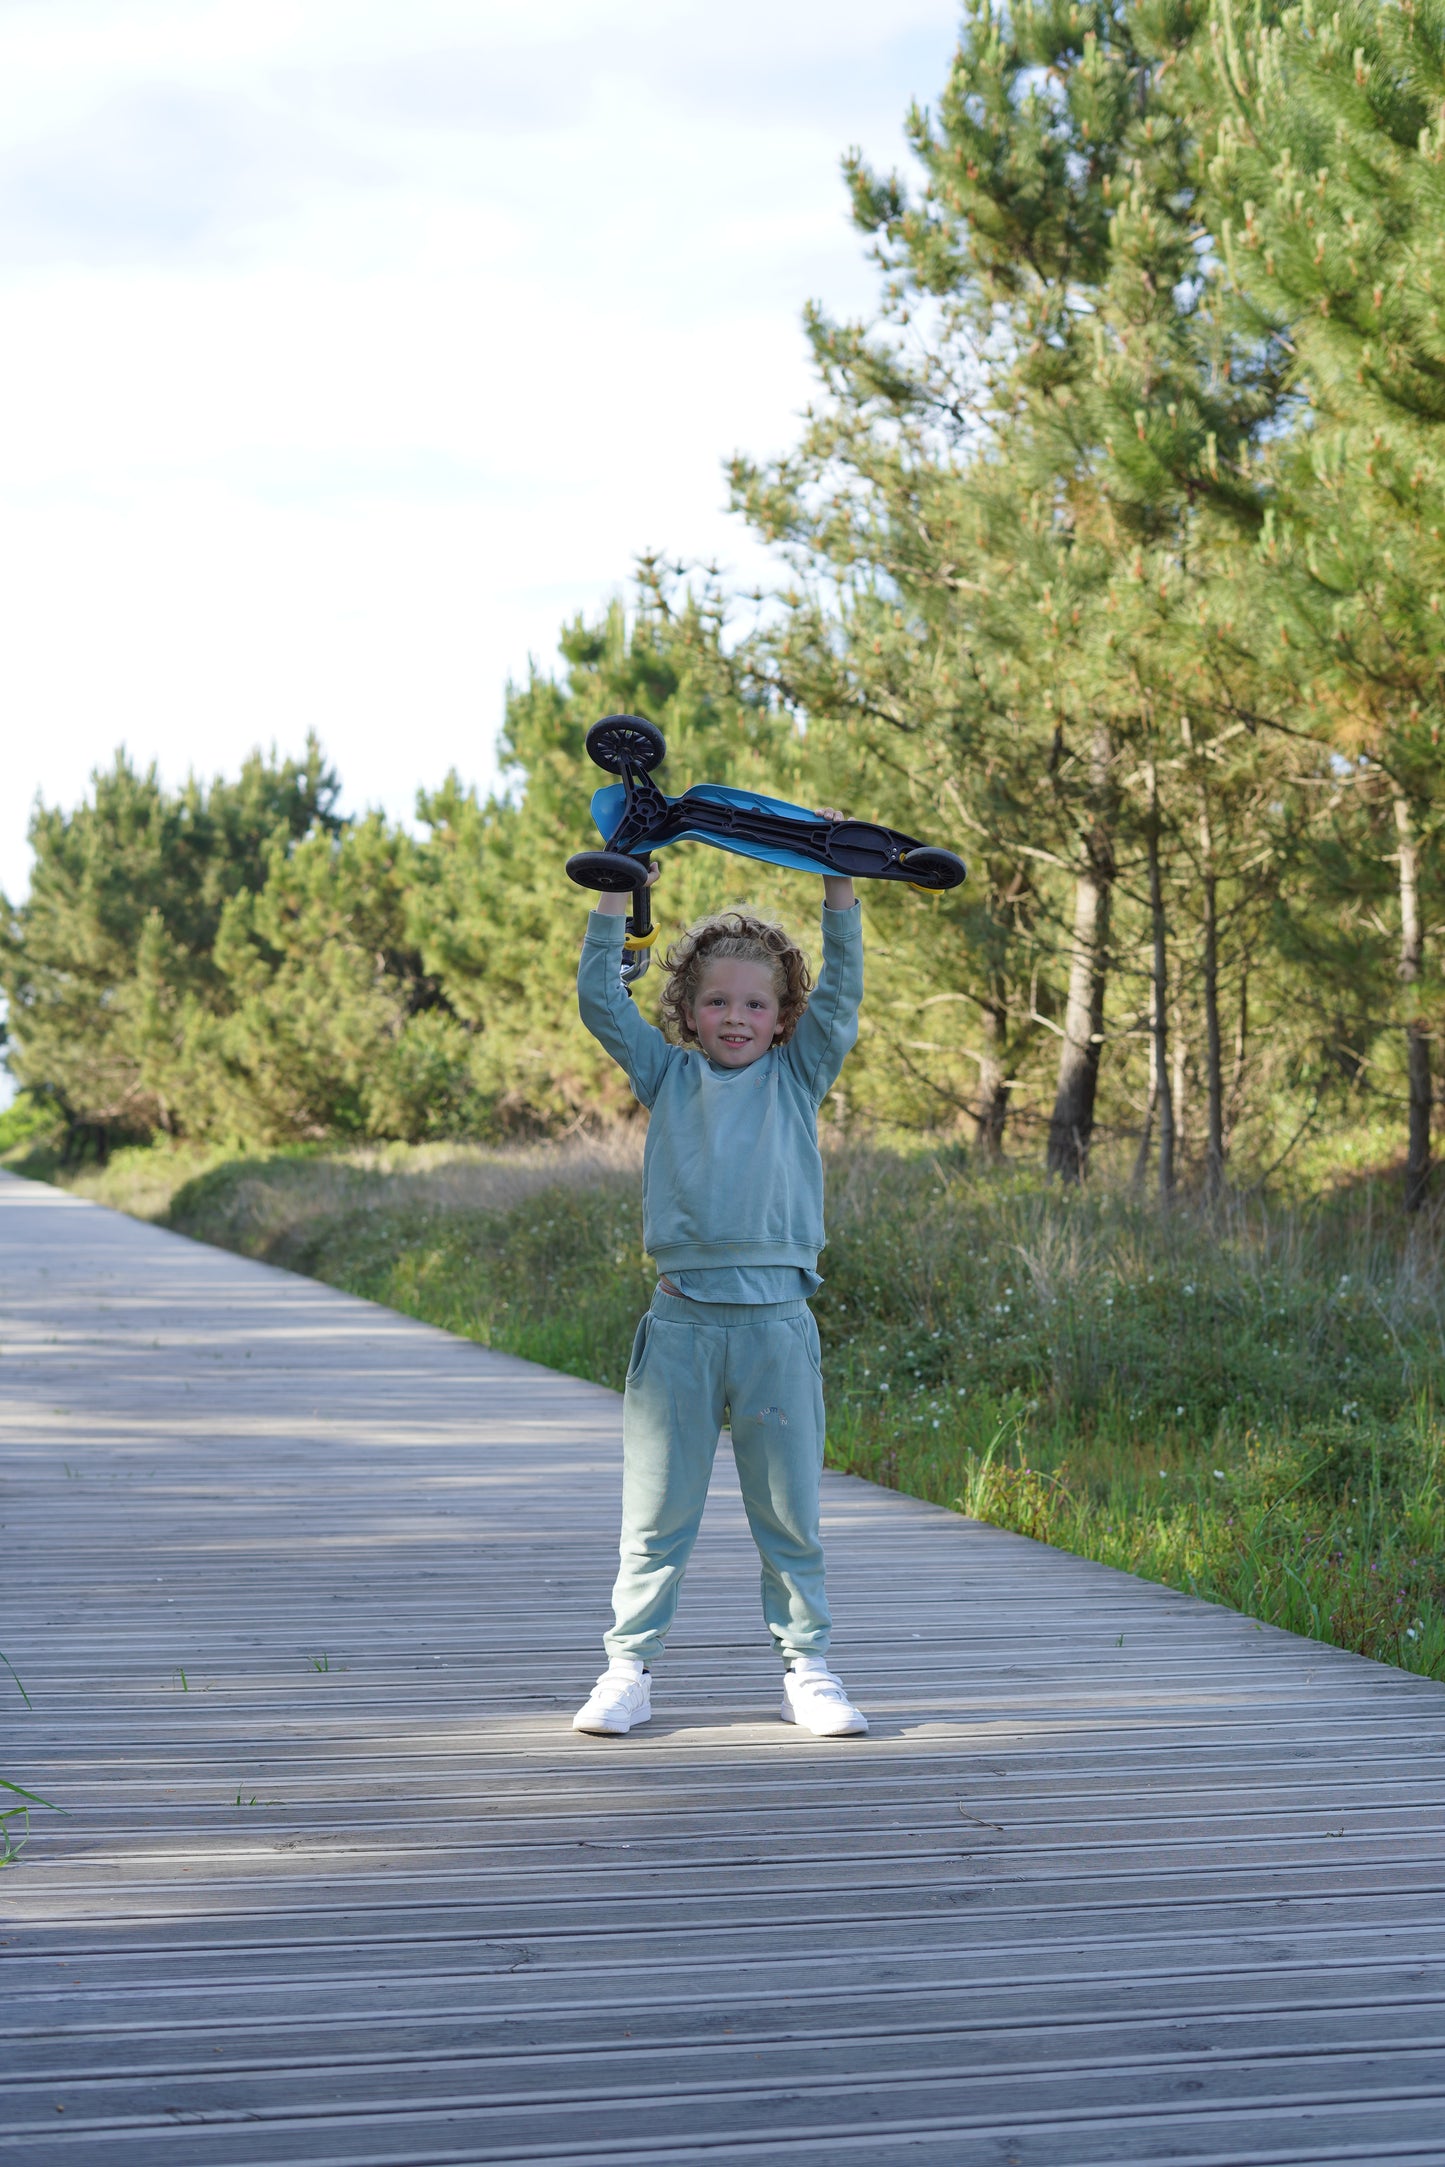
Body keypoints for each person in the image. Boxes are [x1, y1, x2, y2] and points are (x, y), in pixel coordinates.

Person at [572, 836, 868, 1740]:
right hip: (683, 1328)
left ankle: (808, 1670)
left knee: (790, 1511)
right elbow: (596, 998)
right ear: (688, 1012)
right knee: (656, 1514)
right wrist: (616, 901)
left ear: (783, 1016)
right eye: (714, 1001)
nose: (733, 1016)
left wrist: (839, 884)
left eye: (753, 1002)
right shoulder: (668, 1075)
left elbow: (845, 993)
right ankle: (627, 1670)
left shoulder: (797, 1075)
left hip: (777, 1327)